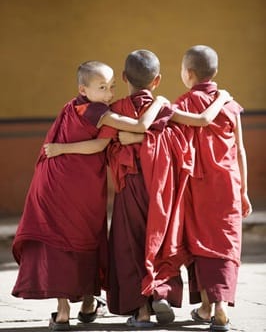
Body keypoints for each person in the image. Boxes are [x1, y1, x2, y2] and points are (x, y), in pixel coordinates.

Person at [44, 50, 232, 328]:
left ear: (123, 78)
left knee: (130, 242)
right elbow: (189, 131)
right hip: (161, 187)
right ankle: (161, 292)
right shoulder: (164, 107)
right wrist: (223, 98)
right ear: (156, 81)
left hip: (129, 185)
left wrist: (131, 137)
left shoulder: (115, 109)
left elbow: (106, 142)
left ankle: (142, 312)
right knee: (162, 239)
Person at [11, 60, 169, 331]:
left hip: (50, 182)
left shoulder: (72, 106)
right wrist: (159, 102)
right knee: (86, 237)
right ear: (83, 89)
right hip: (76, 185)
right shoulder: (99, 111)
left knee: (59, 240)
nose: (108, 94)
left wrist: (60, 149)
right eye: (101, 88)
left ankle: (65, 311)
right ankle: (86, 302)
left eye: (112, 87)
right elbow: (136, 128)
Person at [173, 45, 252, 331]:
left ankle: (207, 305)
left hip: (197, 186)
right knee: (226, 245)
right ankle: (217, 308)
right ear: (215, 72)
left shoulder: (182, 104)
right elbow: (240, 150)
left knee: (200, 243)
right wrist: (243, 190)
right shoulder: (230, 105)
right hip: (229, 184)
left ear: (189, 73)